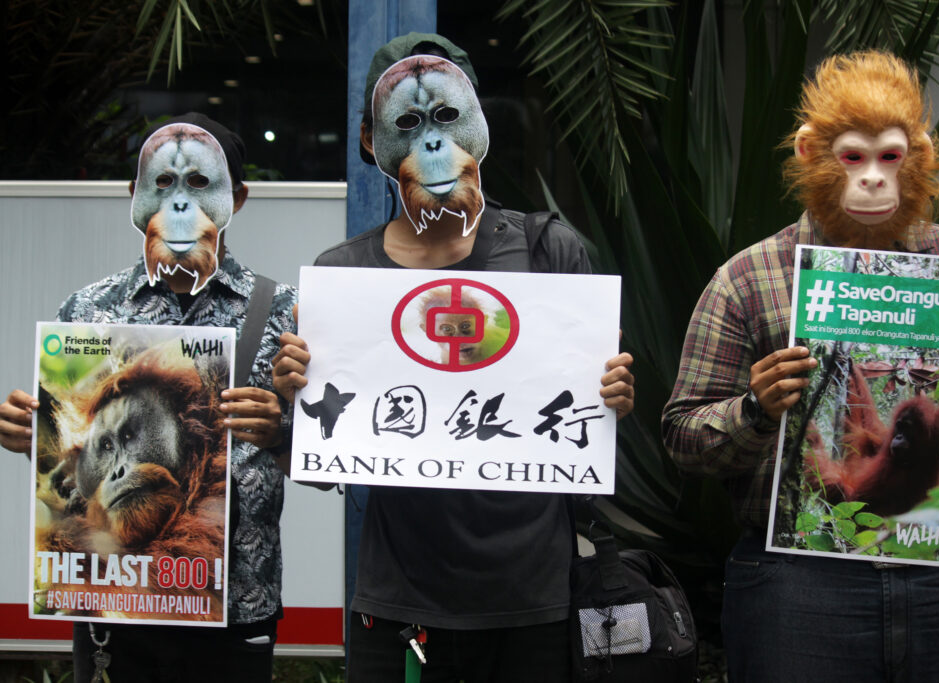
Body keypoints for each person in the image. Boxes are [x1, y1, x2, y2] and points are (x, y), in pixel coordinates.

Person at [271, 33, 635, 683]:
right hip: (402, 600)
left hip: (532, 600)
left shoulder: (549, 249)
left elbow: (585, 454)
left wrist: (610, 401)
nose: (432, 142)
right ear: (369, 142)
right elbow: (324, 470)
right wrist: (297, 398)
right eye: (406, 124)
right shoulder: (344, 276)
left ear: (482, 127)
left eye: (446, 116)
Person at [662, 51, 939, 681]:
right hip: (801, 584)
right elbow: (683, 439)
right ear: (810, 155)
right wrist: (756, 410)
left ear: (921, 156)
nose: (875, 179)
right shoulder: (748, 278)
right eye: (853, 157)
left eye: (891, 157)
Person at [0, 113, 296, 683]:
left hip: (235, 616)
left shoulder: (283, 313)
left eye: (199, 185)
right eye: (162, 185)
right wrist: (24, 434)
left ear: (236, 197)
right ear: (133, 197)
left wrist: (283, 429)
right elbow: (59, 459)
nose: (179, 206)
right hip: (113, 620)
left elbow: (322, 463)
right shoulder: (88, 311)